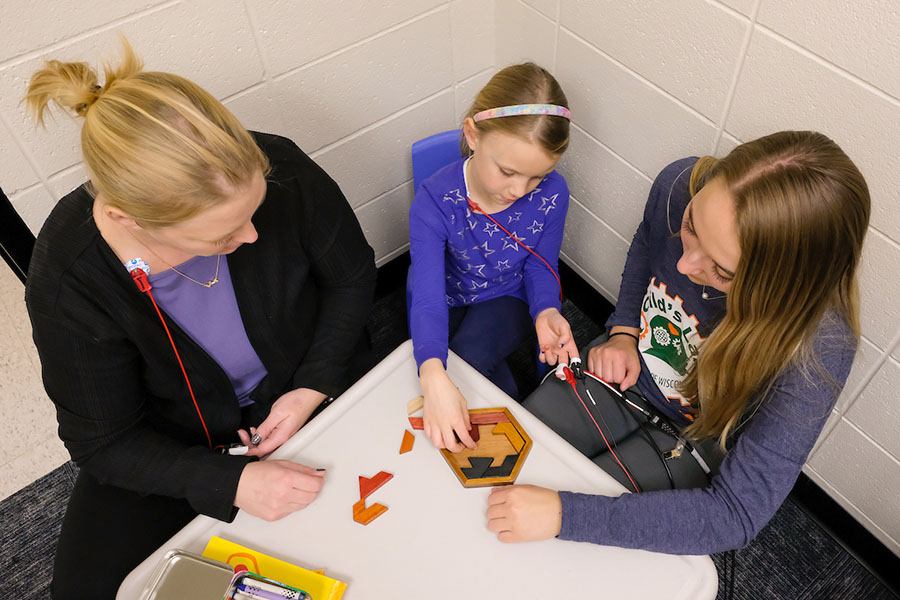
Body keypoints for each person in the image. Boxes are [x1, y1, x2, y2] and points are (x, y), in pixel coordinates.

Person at [23, 41, 376, 597]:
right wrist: (228, 481)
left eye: (253, 213)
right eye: (221, 235)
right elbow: (103, 442)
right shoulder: (69, 279)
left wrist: (312, 385)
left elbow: (352, 277)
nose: (253, 237)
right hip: (175, 439)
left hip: (306, 376)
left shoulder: (279, 165)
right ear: (126, 219)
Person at [486, 131, 870, 554]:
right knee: (503, 470)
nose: (685, 264)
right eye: (691, 226)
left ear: (782, 287)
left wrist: (566, 516)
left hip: (697, 437)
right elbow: (646, 247)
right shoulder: (680, 183)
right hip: (622, 373)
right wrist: (623, 331)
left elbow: (734, 514)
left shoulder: (822, 345)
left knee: (571, 548)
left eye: (722, 272)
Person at [407, 63, 578, 452]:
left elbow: (541, 263)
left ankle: (511, 433)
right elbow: (429, 298)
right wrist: (432, 373)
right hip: (449, 293)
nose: (519, 190)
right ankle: (510, 412)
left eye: (536, 177)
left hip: (507, 295)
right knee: (434, 363)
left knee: (465, 360)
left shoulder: (554, 193)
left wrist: (547, 310)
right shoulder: (434, 199)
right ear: (472, 135)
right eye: (507, 172)